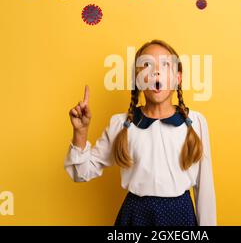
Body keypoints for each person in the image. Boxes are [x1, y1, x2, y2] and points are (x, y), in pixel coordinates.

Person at [64, 39, 217, 226]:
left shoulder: (195, 123)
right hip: (135, 219)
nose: (156, 71)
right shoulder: (121, 124)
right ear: (137, 79)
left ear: (178, 78)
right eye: (146, 65)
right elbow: (80, 173)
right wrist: (81, 132)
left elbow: (205, 189)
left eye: (165, 64)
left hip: (181, 218)